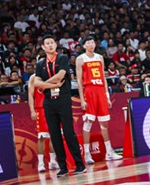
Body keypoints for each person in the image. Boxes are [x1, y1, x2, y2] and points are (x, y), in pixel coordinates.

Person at [34, 35, 86, 177]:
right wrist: (52, 85)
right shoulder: (40, 64)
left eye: (52, 43)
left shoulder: (62, 58)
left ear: (55, 45)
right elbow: (36, 83)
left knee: (69, 132)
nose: (50, 45)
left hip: (63, 99)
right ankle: (62, 166)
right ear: (43, 47)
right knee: (54, 135)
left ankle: (79, 164)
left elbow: (60, 75)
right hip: (48, 101)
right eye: (47, 44)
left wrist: (47, 84)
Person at [75, 35, 121, 163]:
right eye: (88, 43)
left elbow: (104, 78)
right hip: (89, 90)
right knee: (88, 122)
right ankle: (87, 154)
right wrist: (82, 99)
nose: (91, 44)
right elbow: (79, 80)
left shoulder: (100, 57)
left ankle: (109, 152)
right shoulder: (80, 59)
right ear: (84, 46)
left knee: (104, 123)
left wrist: (107, 96)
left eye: (92, 42)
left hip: (101, 90)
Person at [28, 73, 59, 172]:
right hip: (41, 108)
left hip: (53, 107)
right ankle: (41, 163)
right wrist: (32, 110)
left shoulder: (54, 74)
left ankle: (52, 161)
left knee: (54, 135)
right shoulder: (34, 77)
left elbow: (57, 91)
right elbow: (30, 94)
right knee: (41, 136)